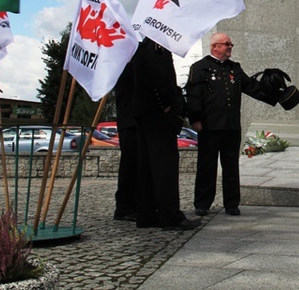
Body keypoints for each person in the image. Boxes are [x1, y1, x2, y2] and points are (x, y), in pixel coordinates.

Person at [186, 32, 272, 216]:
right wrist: (195, 118)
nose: (230, 46)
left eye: (231, 44)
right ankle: (202, 204)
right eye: (226, 44)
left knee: (231, 166)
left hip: (231, 126)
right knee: (206, 166)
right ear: (214, 47)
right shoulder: (199, 67)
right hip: (209, 126)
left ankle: (232, 204)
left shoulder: (235, 68)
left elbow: (251, 87)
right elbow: (193, 95)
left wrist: (274, 92)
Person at [132, 38, 200, 230]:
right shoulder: (157, 46)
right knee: (165, 166)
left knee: (146, 167)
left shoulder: (143, 45)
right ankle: (170, 216)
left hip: (144, 112)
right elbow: (160, 77)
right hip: (157, 113)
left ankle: (146, 215)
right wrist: (169, 104)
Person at [113, 61, 136, 222]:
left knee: (134, 166)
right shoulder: (126, 66)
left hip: (132, 121)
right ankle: (124, 207)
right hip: (130, 122)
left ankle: (132, 205)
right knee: (130, 165)